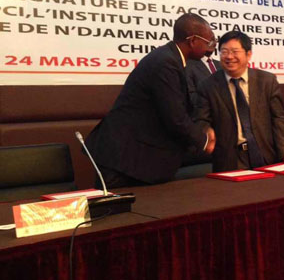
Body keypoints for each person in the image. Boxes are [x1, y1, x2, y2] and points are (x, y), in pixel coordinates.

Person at [84, 13, 216, 188]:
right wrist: (204, 140)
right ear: (192, 41)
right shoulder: (165, 63)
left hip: (136, 157)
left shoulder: (171, 58)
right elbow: (175, 117)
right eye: (207, 42)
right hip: (123, 157)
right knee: (123, 205)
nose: (210, 47)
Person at [196, 30, 284, 172]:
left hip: (265, 154)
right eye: (224, 52)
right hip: (229, 159)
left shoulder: (266, 81)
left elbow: (278, 119)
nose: (229, 56)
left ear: (248, 54)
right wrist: (207, 130)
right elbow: (201, 119)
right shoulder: (208, 86)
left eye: (235, 51)